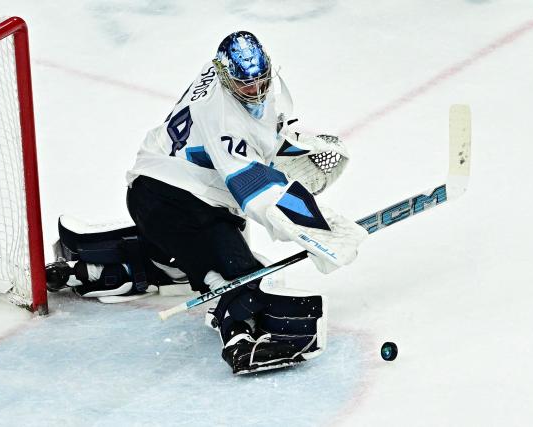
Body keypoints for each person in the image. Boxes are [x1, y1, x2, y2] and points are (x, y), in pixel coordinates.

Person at [47, 31, 367, 374]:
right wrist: (315, 227)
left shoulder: (223, 74)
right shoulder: (222, 118)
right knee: (239, 273)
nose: (255, 91)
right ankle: (240, 338)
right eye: (246, 86)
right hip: (170, 200)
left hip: (166, 188)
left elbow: (251, 140)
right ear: (226, 78)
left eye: (260, 81)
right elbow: (254, 186)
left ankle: (125, 265)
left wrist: (285, 145)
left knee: (201, 245)